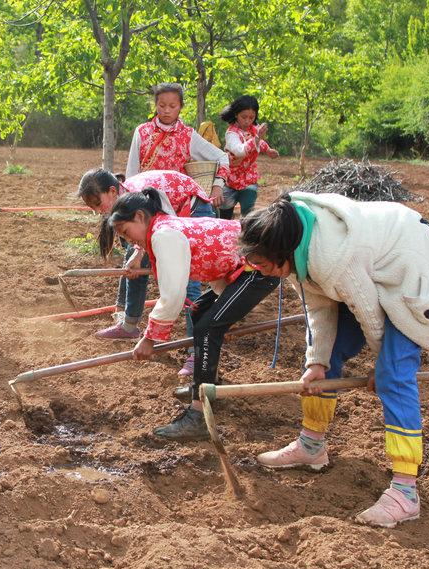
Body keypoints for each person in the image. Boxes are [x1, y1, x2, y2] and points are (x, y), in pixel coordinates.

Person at [239, 192, 429, 527]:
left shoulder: (333, 257)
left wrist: (382, 365)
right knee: (324, 359)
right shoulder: (298, 245)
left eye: (263, 264)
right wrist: (317, 361)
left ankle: (406, 492)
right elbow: (319, 307)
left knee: (394, 376)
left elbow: (370, 315)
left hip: (414, 274)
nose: (261, 271)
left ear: (282, 253)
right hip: (376, 271)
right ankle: (312, 445)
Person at [99, 189, 280, 441]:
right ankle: (207, 385)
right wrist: (223, 313)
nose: (131, 242)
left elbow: (172, 294)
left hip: (258, 268)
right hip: (238, 272)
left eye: (127, 232)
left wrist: (149, 338)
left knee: (207, 328)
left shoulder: (164, 234)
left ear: (140, 217)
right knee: (199, 313)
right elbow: (214, 261)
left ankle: (198, 414)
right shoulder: (161, 229)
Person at [125, 82, 230, 377]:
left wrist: (218, 184)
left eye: (172, 106)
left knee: (190, 282)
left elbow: (221, 157)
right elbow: (133, 171)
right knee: (134, 264)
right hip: (147, 212)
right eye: (162, 106)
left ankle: (194, 350)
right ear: (155, 105)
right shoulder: (142, 132)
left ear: (181, 107)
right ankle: (129, 324)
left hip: (182, 213)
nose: (167, 111)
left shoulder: (188, 135)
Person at [78, 168, 211, 342]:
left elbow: (165, 226)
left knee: (188, 278)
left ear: (112, 191)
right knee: (133, 261)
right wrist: (138, 254)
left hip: (192, 208)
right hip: (168, 218)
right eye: (92, 208)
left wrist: (142, 254)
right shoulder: (124, 202)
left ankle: (197, 345)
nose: (97, 211)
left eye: (98, 203)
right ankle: (129, 326)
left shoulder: (138, 195)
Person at [219, 95, 279, 220]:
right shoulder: (231, 133)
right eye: (244, 117)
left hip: (248, 178)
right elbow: (239, 151)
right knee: (225, 210)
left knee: (249, 203)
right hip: (230, 179)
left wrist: (268, 150)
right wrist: (256, 139)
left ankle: (246, 226)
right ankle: (226, 226)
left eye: (251, 117)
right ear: (236, 114)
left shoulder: (253, 130)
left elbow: (260, 143)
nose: (247, 121)